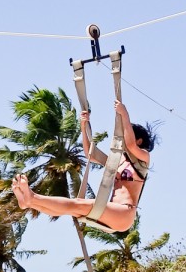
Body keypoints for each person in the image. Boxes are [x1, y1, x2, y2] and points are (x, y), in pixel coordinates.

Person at [12, 99, 157, 232]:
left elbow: (131, 145)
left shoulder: (143, 158)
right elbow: (90, 154)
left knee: (77, 203)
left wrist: (124, 114)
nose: (123, 139)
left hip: (124, 213)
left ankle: (32, 197)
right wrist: (83, 126)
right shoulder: (117, 162)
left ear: (139, 140)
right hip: (111, 213)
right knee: (73, 208)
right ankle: (29, 203)